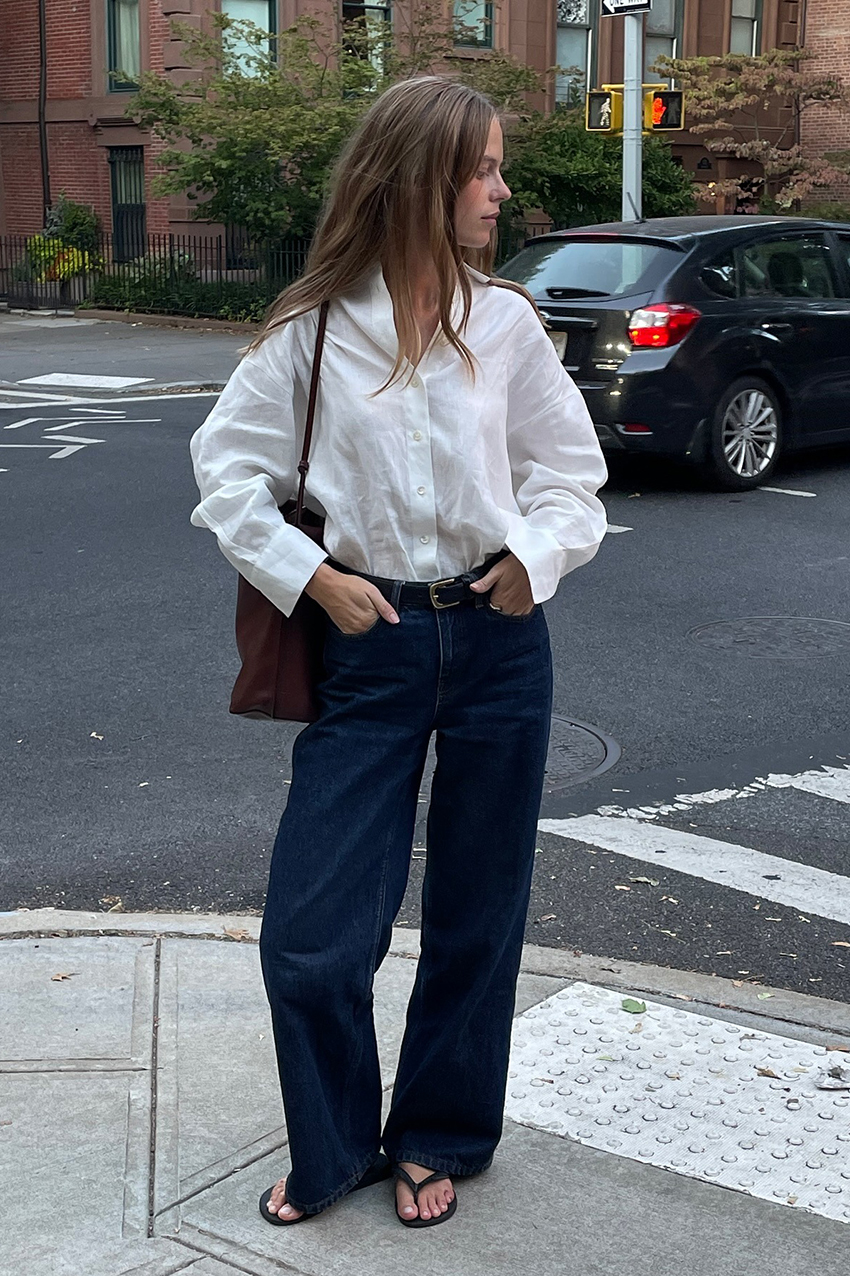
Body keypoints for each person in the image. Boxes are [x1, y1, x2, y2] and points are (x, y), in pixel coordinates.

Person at [189, 74, 607, 1230]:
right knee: (313, 935)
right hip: (368, 644)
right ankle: (333, 1145)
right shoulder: (313, 330)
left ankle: (439, 1134)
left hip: (499, 639)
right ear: (422, 178)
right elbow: (226, 476)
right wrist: (313, 579)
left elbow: (572, 477)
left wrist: (534, 558)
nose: (501, 190)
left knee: (480, 904)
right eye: (484, 169)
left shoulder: (504, 323)